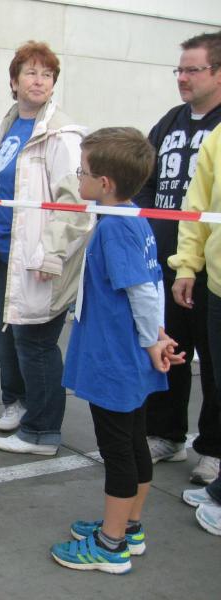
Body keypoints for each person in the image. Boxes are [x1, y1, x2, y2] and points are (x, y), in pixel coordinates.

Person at [52, 127, 185, 573]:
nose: (79, 178)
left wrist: (152, 341)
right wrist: (158, 336)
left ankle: (111, 545)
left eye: (82, 172)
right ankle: (129, 526)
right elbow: (148, 287)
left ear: (104, 183)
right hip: (130, 356)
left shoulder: (115, 229)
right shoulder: (133, 219)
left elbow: (142, 292)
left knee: (118, 452)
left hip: (116, 360)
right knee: (133, 442)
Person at [0, 41, 92, 455]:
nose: (39, 80)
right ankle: (18, 401)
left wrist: (53, 254)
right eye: (31, 72)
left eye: (47, 74)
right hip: (3, 257)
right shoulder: (4, 130)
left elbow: (74, 204)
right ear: (14, 81)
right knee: (2, 334)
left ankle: (42, 432)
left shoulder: (62, 135)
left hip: (39, 259)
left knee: (36, 343)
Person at [134, 32, 221, 485]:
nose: (183, 78)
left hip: (210, 267)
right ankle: (166, 434)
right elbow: (146, 182)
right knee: (169, 349)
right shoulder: (170, 122)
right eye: (179, 70)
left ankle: (213, 449)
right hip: (167, 262)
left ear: (218, 73)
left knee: (215, 363)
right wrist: (147, 230)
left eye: (193, 70)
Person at [171, 123, 221, 536]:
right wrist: (187, 265)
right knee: (217, 384)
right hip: (217, 285)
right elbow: (198, 205)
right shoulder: (218, 138)